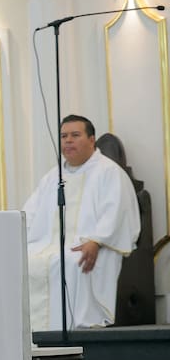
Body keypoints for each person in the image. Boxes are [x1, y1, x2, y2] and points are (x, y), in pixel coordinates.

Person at [24, 114, 140, 331]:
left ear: (91, 139)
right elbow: (29, 214)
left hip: (94, 245)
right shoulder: (52, 177)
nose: (68, 141)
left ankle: (73, 330)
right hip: (48, 245)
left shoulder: (109, 172)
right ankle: (33, 333)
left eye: (75, 135)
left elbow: (115, 212)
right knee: (26, 262)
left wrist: (96, 241)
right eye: (63, 136)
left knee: (70, 261)